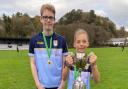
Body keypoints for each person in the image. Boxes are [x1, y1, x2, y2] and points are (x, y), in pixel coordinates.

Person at [28, 4, 68, 89]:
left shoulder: (62, 40)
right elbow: (33, 64)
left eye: (51, 17)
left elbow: (65, 64)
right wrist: (38, 85)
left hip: (58, 86)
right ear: (41, 19)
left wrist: (62, 83)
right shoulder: (33, 40)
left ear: (54, 20)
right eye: (45, 17)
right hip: (41, 86)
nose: (48, 20)